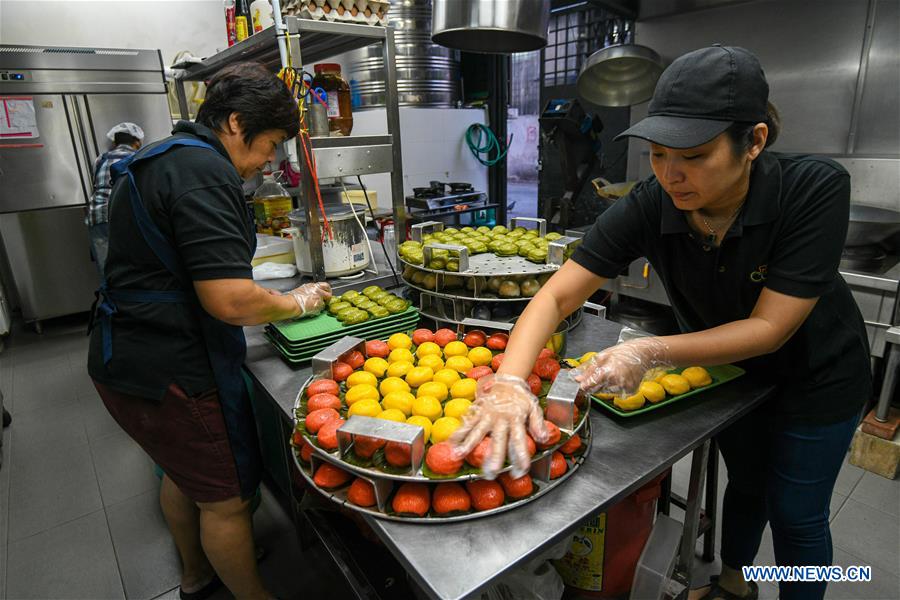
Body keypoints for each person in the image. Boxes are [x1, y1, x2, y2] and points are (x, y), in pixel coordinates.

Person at [450, 46, 871, 600]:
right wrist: (507, 382)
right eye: (657, 154)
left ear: (755, 142)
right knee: (746, 486)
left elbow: (772, 327)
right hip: (736, 371)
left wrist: (649, 351)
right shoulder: (654, 202)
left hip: (820, 376)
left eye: (694, 156)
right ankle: (734, 583)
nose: (672, 174)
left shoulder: (812, 189)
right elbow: (554, 296)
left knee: (796, 513)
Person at [87, 62, 330, 600]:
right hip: (168, 365)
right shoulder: (204, 172)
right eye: (269, 144)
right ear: (237, 123)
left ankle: (197, 572)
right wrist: (296, 301)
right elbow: (230, 299)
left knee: (183, 474)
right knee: (224, 498)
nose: (269, 159)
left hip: (125, 357)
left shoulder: (165, 157)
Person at [87, 122, 144, 279]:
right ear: (137, 142)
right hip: (124, 215)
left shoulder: (101, 159)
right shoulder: (138, 157)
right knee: (134, 268)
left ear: (114, 142)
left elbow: (95, 184)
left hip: (97, 217)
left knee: (107, 270)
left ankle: (112, 301)